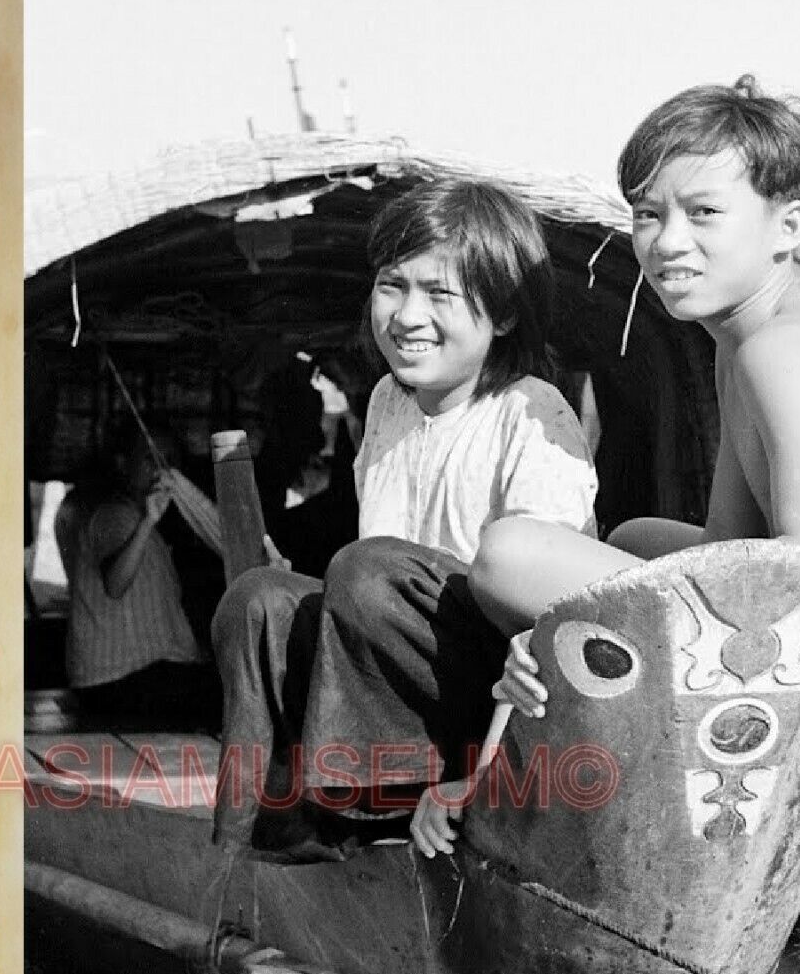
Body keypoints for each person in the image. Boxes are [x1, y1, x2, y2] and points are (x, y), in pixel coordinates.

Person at [411, 75, 800, 855]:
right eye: (648, 214)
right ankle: (594, 707)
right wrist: (565, 625)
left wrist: (552, 630)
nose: (666, 241)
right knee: (633, 539)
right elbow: (726, 550)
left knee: (509, 553)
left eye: (704, 213)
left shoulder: (785, 351)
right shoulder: (742, 348)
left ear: (789, 225)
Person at [211, 177, 597, 855]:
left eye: (440, 293)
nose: (407, 316)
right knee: (259, 600)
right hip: (407, 693)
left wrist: (480, 779)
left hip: (509, 704)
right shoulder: (389, 402)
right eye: (393, 286)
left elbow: (549, 634)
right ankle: (256, 828)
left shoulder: (533, 414)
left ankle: (367, 812)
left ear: (502, 315)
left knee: (367, 571)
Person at [55, 421, 220, 728]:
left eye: (169, 460)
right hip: (118, 681)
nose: (162, 469)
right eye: (150, 459)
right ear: (122, 463)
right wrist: (147, 523)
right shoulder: (114, 515)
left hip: (131, 677)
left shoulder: (139, 522)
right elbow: (115, 583)